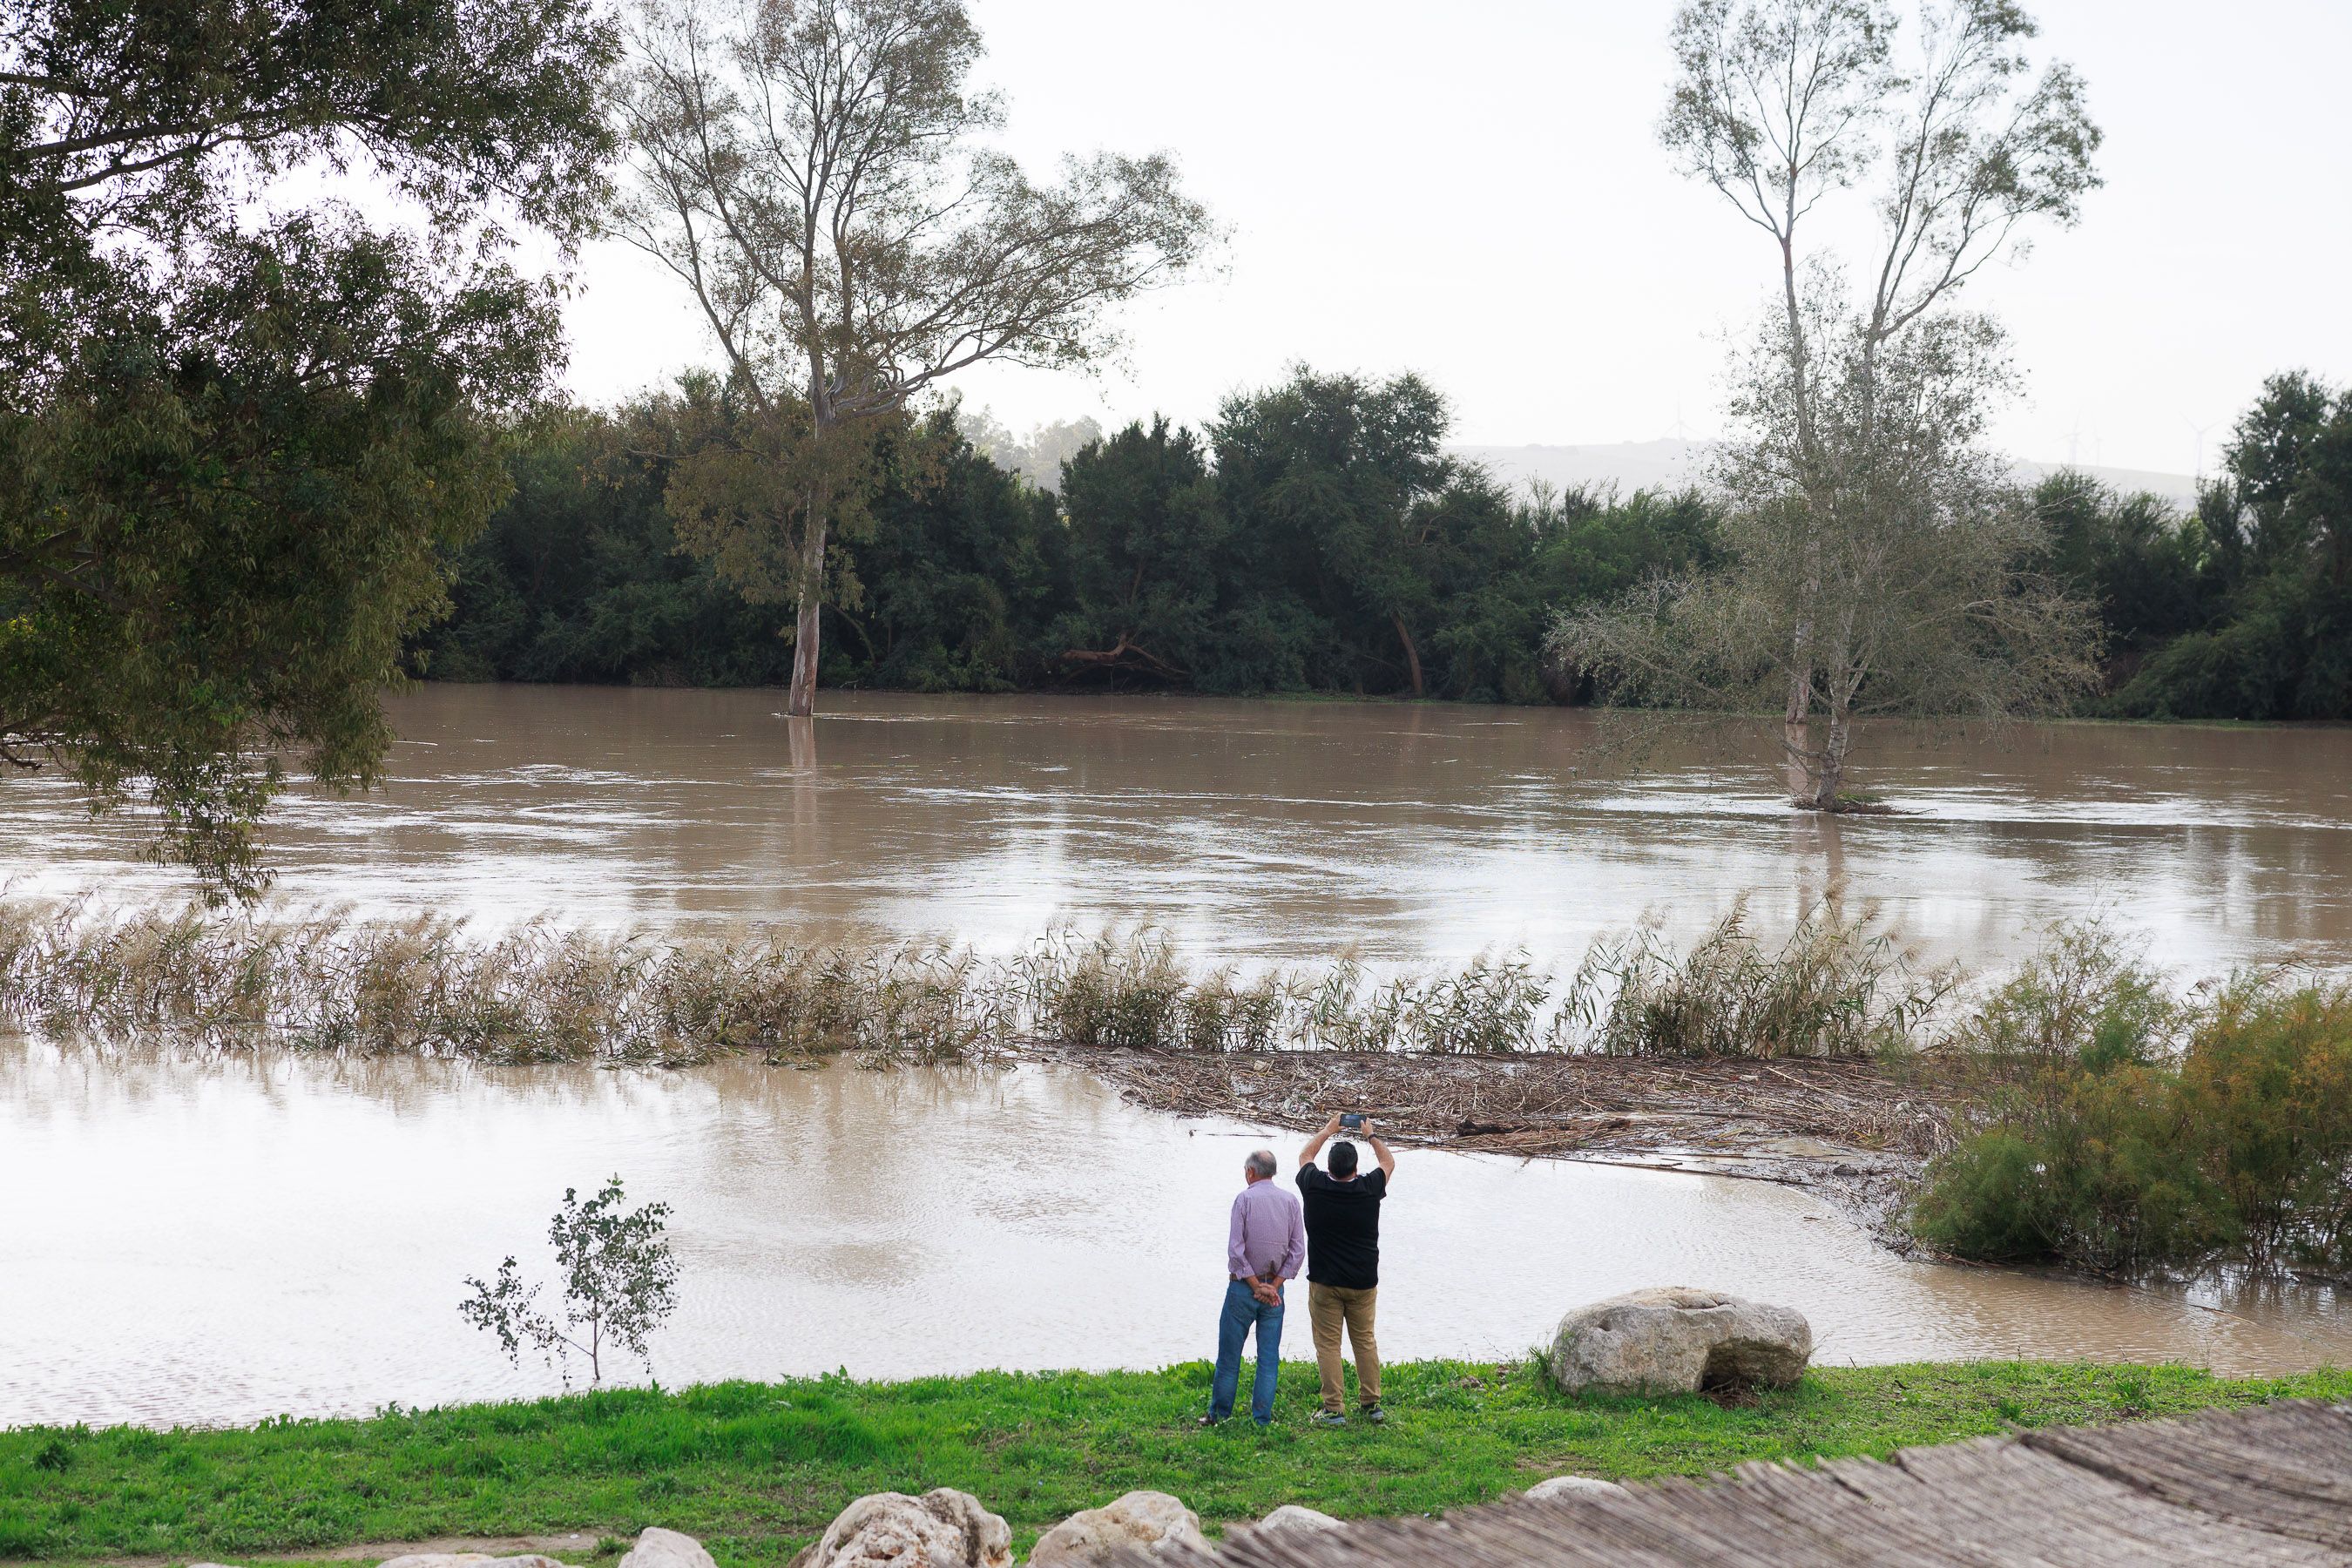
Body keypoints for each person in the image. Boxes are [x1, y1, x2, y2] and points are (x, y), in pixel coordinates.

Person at [1296, 1112, 1394, 1426]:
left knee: (1327, 1344)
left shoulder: (1314, 1186)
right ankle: (1371, 1404)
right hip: (1363, 1282)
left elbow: (1304, 1155)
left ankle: (1334, 1409)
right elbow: (1388, 1163)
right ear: (1355, 1168)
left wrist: (1327, 1129)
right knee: (1364, 1340)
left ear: (1329, 1168)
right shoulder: (1369, 1189)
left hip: (1324, 1280)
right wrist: (1371, 1135)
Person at [1204, 1146, 1304, 1427]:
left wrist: (1254, 1284)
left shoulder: (1243, 1200)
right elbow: (1297, 1251)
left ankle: (1220, 1415)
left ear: (1250, 1172)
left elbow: (1236, 1250)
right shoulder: (1291, 1202)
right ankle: (1261, 1419)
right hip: (1275, 1292)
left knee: (1229, 1357)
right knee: (1268, 1359)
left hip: (1242, 1290)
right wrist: (1273, 1286)